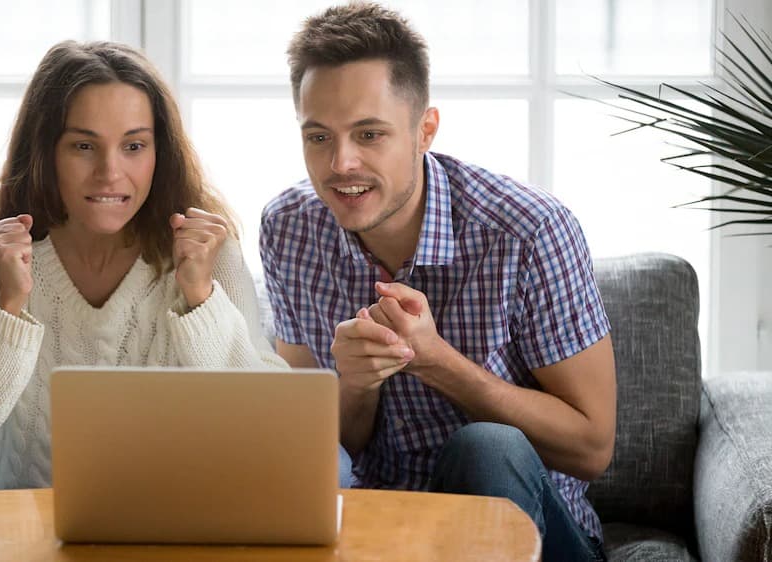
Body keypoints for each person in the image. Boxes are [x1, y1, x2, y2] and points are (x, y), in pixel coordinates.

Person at [0, 40, 288, 515]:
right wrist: (7, 307)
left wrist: (200, 298)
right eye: (84, 146)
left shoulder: (208, 250)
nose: (110, 173)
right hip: (13, 513)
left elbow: (269, 430)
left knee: (329, 467)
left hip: (172, 511)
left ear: (159, 152)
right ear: (46, 150)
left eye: (134, 146)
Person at [260, 4, 615, 561]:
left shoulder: (529, 232)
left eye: (369, 133)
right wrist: (355, 384)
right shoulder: (288, 230)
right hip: (378, 532)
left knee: (487, 448)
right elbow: (325, 448)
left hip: (535, 538)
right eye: (319, 137)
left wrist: (435, 361)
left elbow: (593, 448)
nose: (340, 164)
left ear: (425, 130)